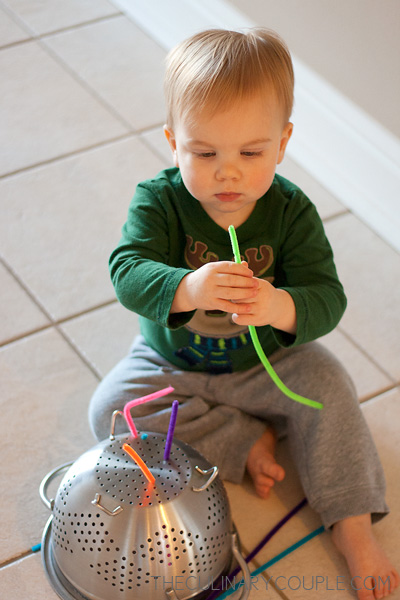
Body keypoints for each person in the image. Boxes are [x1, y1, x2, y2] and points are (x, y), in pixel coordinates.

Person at [89, 28, 399, 599]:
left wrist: (280, 304)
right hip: (172, 360)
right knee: (110, 411)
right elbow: (126, 271)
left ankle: (354, 528)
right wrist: (187, 286)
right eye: (204, 153)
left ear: (281, 145)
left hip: (270, 364)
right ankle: (242, 440)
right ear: (172, 142)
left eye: (250, 153)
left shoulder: (290, 212)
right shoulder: (158, 201)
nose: (227, 173)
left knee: (331, 387)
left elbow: (327, 297)